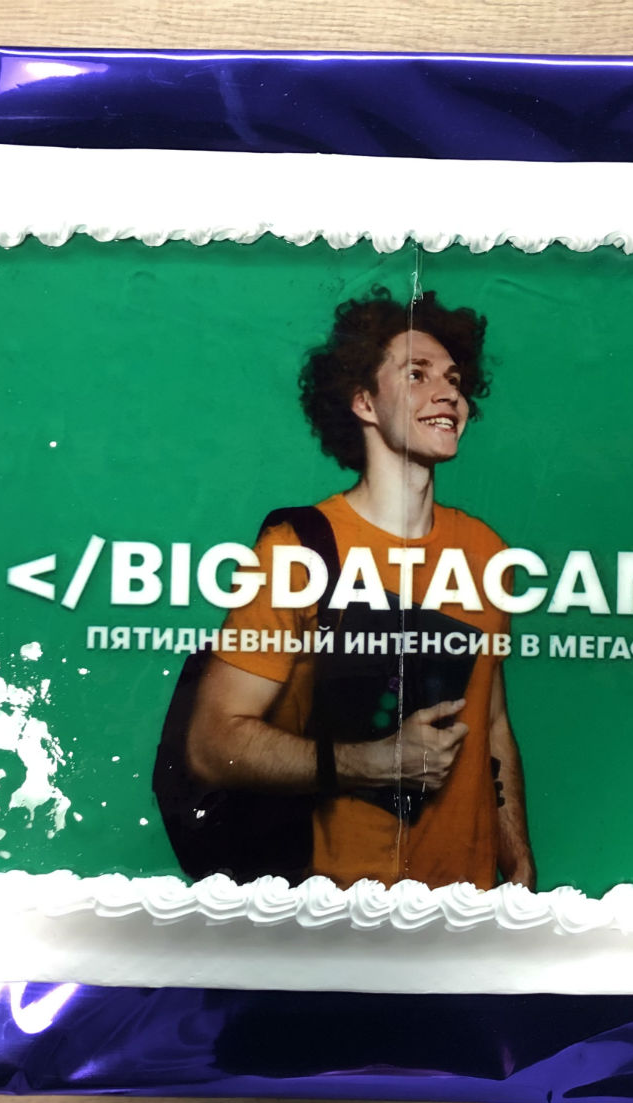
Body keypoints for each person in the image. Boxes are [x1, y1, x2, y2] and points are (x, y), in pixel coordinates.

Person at [186, 288, 535, 891]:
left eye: (454, 379)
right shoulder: (297, 551)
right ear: (364, 402)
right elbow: (212, 744)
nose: (447, 393)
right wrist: (371, 762)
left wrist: (519, 859)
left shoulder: (487, 551)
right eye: (417, 374)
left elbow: (492, 720)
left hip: (466, 900)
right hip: (332, 905)